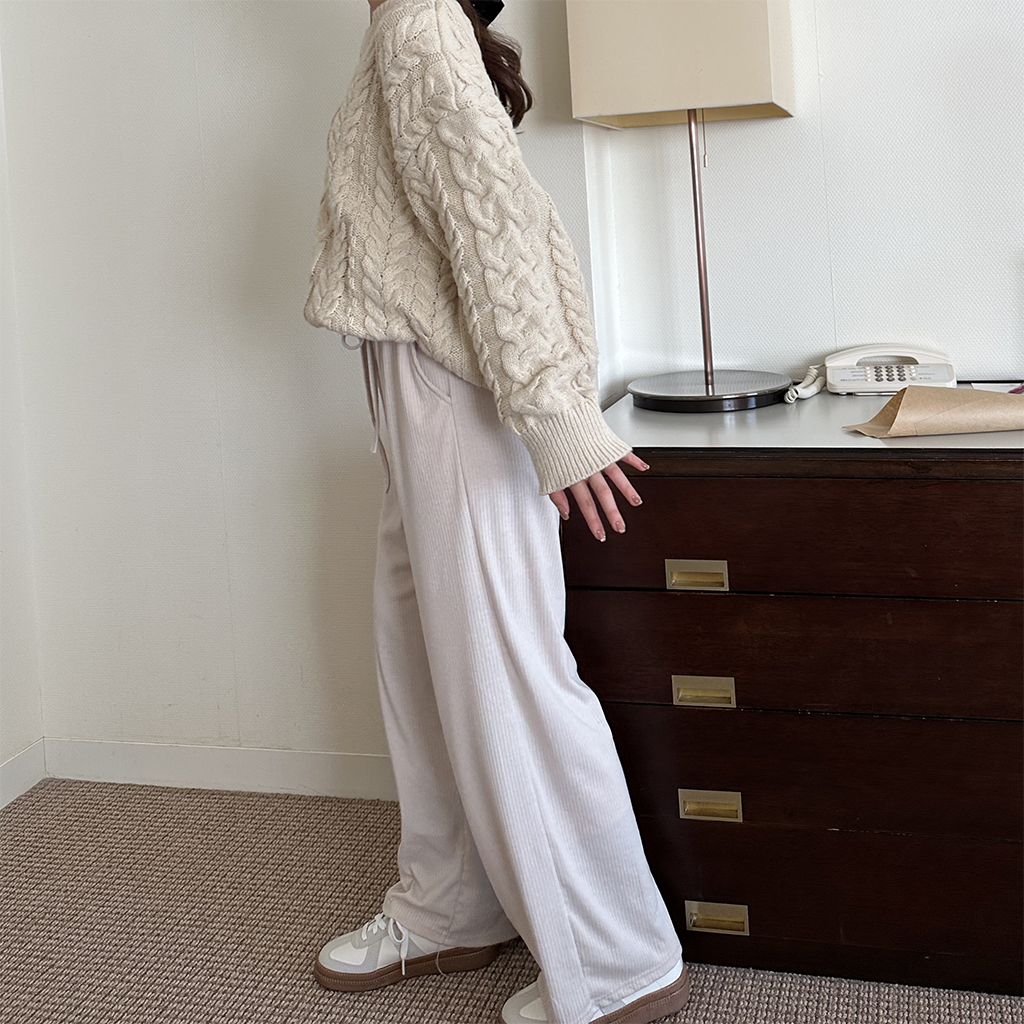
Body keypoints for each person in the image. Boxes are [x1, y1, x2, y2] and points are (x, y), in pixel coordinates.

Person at [302, 1, 691, 1022]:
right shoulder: (405, 24)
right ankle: (450, 903)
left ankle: (616, 962)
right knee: (422, 661)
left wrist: (554, 412)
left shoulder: (419, 24)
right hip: (418, 380)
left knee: (502, 672)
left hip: (456, 388)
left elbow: (500, 232)